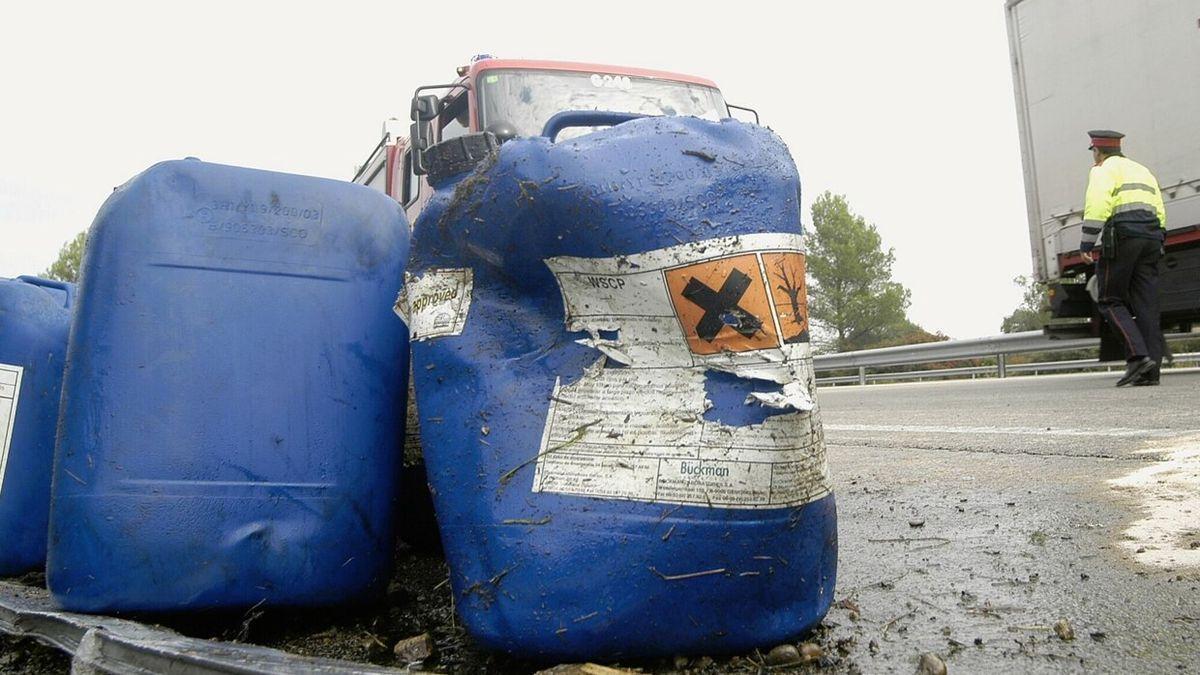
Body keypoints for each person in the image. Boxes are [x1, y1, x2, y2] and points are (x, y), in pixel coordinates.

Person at [1078, 130, 1167, 387]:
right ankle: (1151, 371)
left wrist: (1087, 241)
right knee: (1146, 306)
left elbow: (1098, 204)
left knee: (1109, 299)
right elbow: (1159, 208)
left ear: (1098, 151)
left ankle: (1138, 358)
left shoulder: (1102, 169)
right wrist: (1159, 237)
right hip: (1151, 238)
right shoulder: (1142, 170)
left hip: (1123, 238)